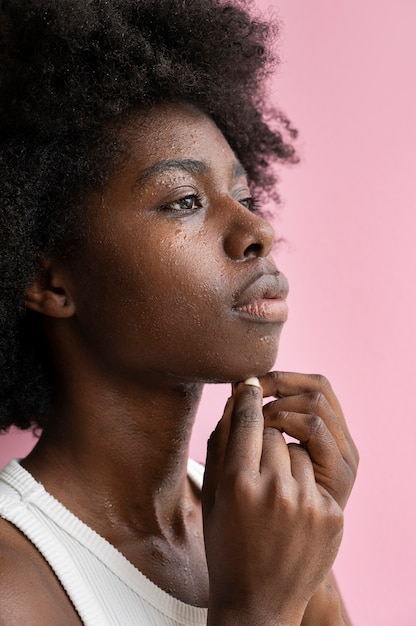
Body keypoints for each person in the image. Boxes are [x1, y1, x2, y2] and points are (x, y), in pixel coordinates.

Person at [0, 0, 359, 624]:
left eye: (245, 195)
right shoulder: (15, 579)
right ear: (49, 280)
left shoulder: (256, 519)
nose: (257, 229)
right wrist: (257, 607)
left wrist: (311, 564)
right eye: (184, 201)